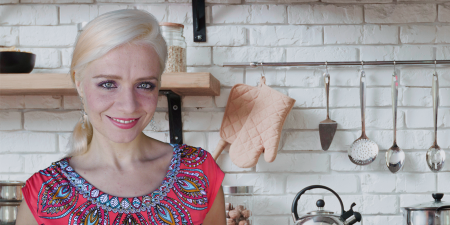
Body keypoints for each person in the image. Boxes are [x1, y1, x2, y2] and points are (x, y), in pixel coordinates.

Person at [16, 9, 226, 225]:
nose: (128, 105)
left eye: (144, 85)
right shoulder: (44, 193)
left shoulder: (199, 172)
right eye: (108, 84)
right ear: (79, 84)